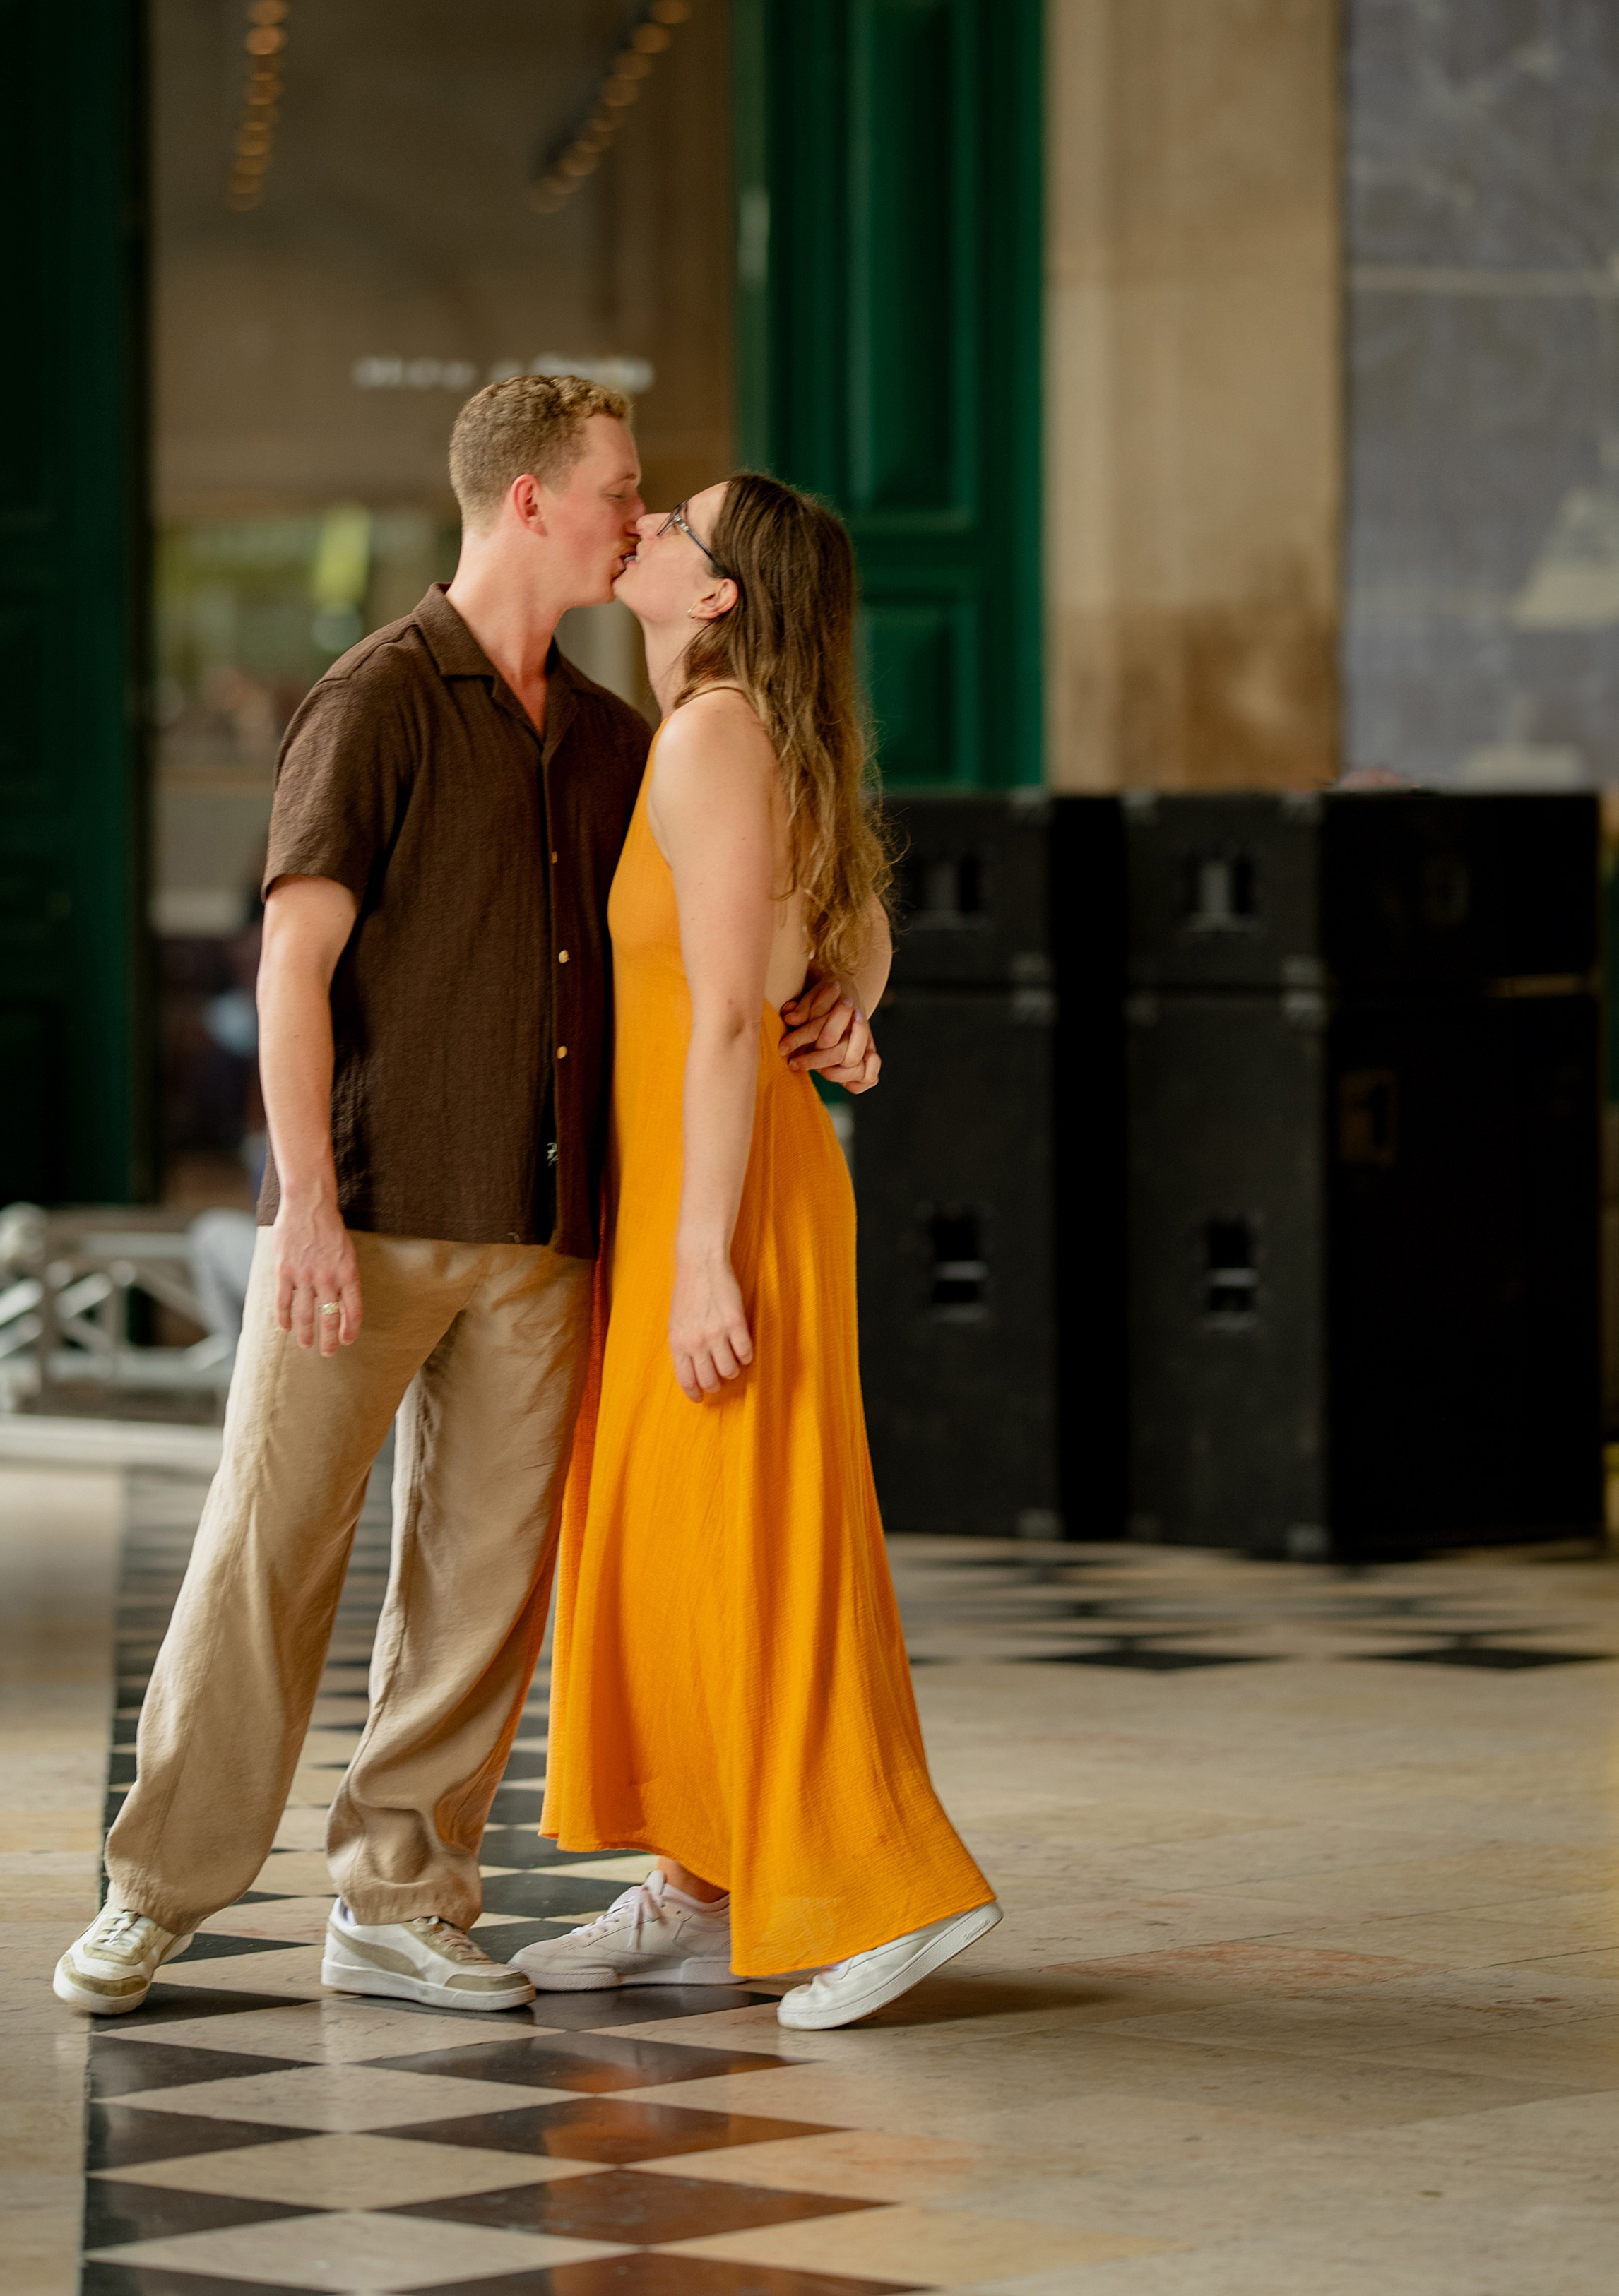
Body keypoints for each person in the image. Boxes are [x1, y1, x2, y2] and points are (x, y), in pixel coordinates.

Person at [53, 381, 870, 2023]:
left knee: (479, 1593)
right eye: (618, 490)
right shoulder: (372, 699)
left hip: (552, 1234)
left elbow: (768, 885)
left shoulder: (619, 733)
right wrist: (298, 1205)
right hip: (366, 1217)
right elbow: (294, 966)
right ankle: (154, 1895)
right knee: (265, 1555)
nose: (637, 516)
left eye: (651, 501)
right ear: (527, 506)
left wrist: (857, 972)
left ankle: (398, 1896)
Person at [523, 471, 1000, 2031]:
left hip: (721, 1206)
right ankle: (704, 1877)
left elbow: (732, 1011)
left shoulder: (717, 734)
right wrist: (853, 985)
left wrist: (701, 1256)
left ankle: (887, 1894)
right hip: (699, 1191)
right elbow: (836, 918)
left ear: (716, 593)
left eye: (671, 523)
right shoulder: (736, 732)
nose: (643, 524)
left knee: (771, 1554)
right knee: (681, 1552)